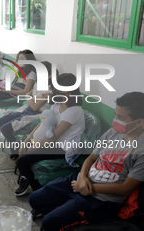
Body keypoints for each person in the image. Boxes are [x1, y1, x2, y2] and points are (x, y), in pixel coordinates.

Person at [29, 92, 144, 231]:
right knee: (34, 200)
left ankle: (72, 211)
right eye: (115, 114)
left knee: (49, 223)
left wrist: (88, 187)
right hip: (80, 181)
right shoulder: (113, 133)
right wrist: (82, 178)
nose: (116, 120)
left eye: (121, 117)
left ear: (140, 121)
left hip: (101, 199)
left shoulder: (141, 149)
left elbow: (126, 188)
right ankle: (70, 207)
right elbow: (91, 158)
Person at [14, 73, 85, 196]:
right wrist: (27, 140)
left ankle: (37, 190)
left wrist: (32, 148)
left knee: (21, 161)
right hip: (53, 142)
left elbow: (54, 137)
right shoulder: (57, 104)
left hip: (64, 147)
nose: (55, 91)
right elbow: (43, 123)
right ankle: (28, 178)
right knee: (20, 150)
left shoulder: (74, 110)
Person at [0, 61, 55, 159]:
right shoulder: (38, 83)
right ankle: (17, 146)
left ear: (49, 76)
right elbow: (29, 95)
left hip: (35, 114)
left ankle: (17, 152)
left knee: (4, 128)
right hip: (26, 109)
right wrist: (30, 99)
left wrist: (29, 98)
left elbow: (35, 106)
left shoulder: (49, 90)